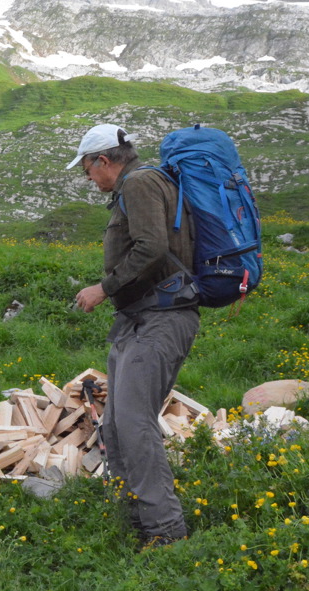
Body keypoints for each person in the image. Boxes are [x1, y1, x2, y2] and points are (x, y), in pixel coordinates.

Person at [68, 124, 199, 549]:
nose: (89, 179)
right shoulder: (136, 185)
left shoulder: (140, 182)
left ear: (103, 160)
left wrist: (102, 289)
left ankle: (165, 531)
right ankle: (131, 517)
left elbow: (152, 247)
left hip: (161, 317)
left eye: (88, 170)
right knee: (118, 422)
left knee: (135, 421)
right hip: (139, 318)